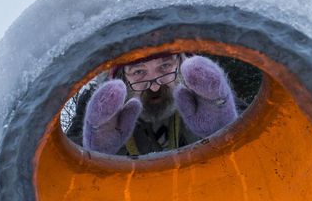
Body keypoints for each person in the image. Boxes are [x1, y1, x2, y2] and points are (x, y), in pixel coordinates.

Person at [81, 53, 240, 156]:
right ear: (121, 79)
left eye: (165, 66)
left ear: (181, 66)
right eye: (138, 72)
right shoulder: (97, 107)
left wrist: (226, 133)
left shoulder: (209, 92)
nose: (155, 86)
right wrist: (95, 153)